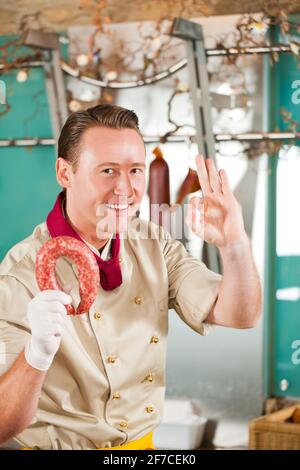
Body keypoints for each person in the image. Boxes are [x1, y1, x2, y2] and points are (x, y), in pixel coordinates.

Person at [0, 104, 261, 450]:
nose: (126, 189)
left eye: (136, 170)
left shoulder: (155, 245)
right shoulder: (20, 273)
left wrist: (235, 244)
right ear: (65, 173)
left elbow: (240, 315)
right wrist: (36, 355)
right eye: (108, 170)